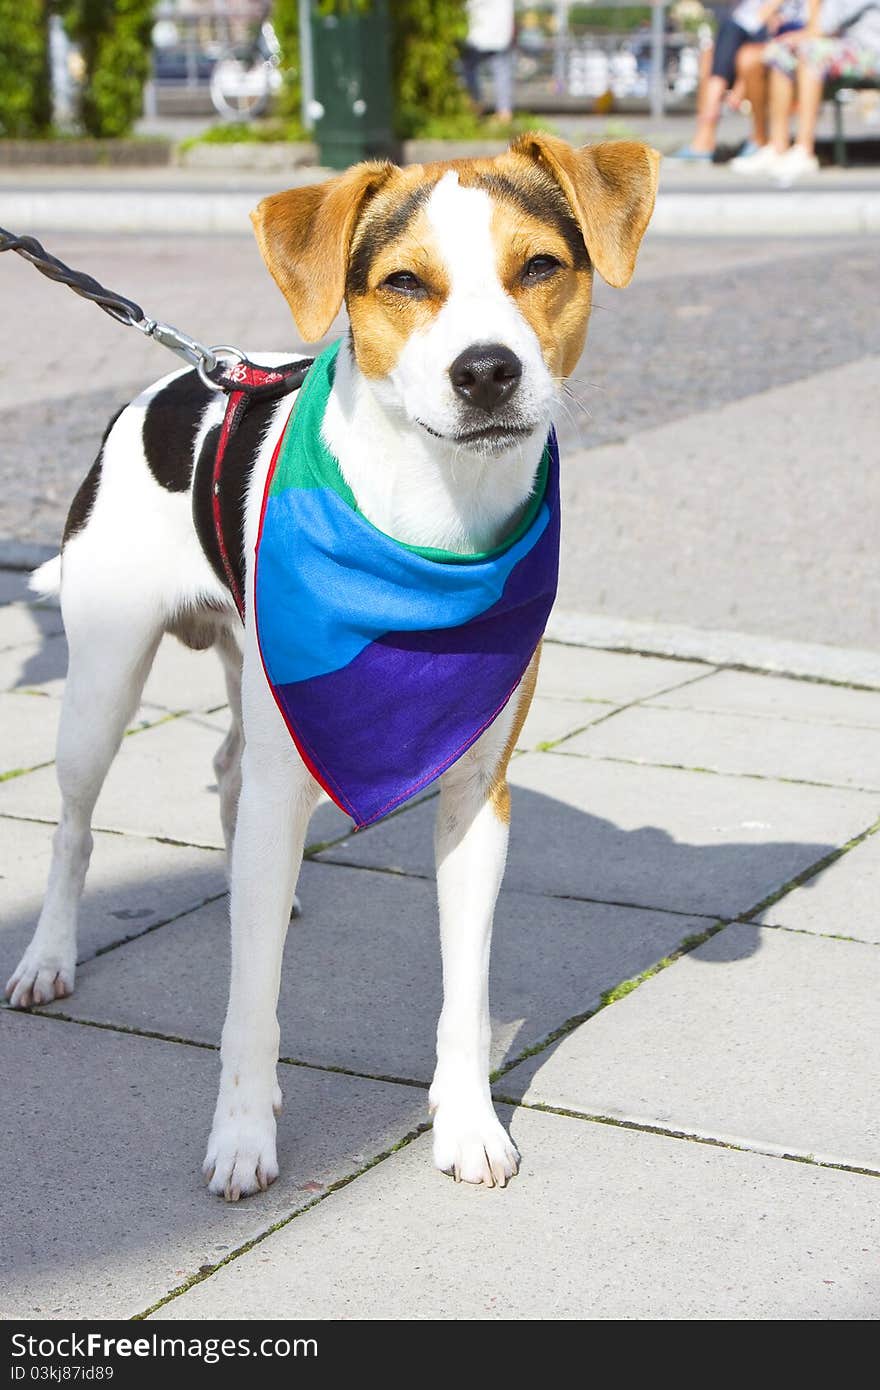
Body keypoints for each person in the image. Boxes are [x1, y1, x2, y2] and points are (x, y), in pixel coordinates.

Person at [733, 0, 880, 178]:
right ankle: (777, 147)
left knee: (810, 52)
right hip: (843, 46)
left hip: (869, 51)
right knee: (780, 53)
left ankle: (805, 150)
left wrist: (794, 37)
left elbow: (824, 27)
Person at [670, 0, 806, 160]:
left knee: (736, 46)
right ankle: (707, 131)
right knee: (712, 54)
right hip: (752, 36)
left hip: (780, 38)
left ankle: (709, 129)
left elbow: (764, 18)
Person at [462, 0, 516, 122]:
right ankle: (504, 112)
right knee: (502, 74)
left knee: (470, 69)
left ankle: (475, 104)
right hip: (501, 35)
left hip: (478, 36)